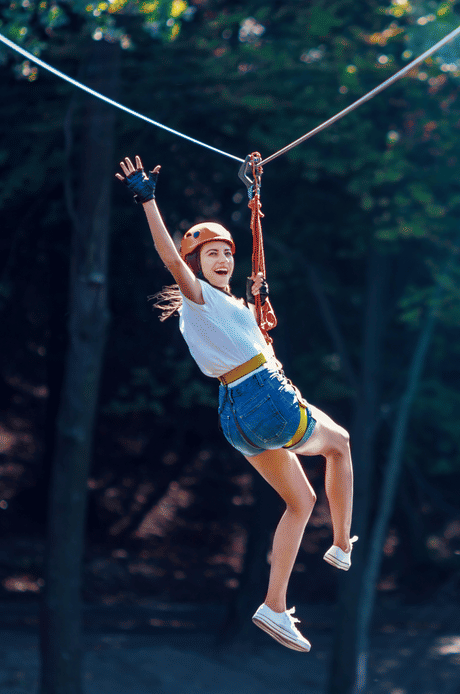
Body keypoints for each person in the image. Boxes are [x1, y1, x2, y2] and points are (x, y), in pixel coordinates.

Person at [116, 155, 355, 653]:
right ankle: (340, 546)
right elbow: (168, 256)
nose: (222, 259)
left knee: (301, 500)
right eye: (211, 255)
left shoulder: (235, 307)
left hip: (235, 416)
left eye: (226, 251)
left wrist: (257, 310)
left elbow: (254, 340)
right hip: (262, 399)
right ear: (198, 266)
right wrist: (148, 201)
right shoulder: (198, 297)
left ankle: (273, 606)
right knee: (341, 444)